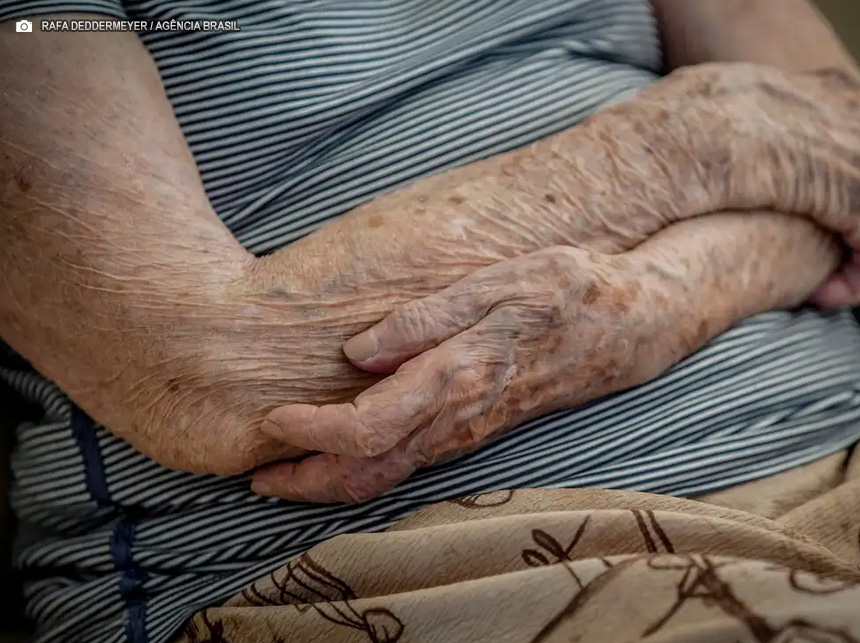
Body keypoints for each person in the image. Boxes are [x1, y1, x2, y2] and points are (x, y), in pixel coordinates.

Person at [1, 0, 860, 641]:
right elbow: (212, 370)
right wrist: (703, 143)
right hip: (426, 564)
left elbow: (839, 139)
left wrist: (657, 300)